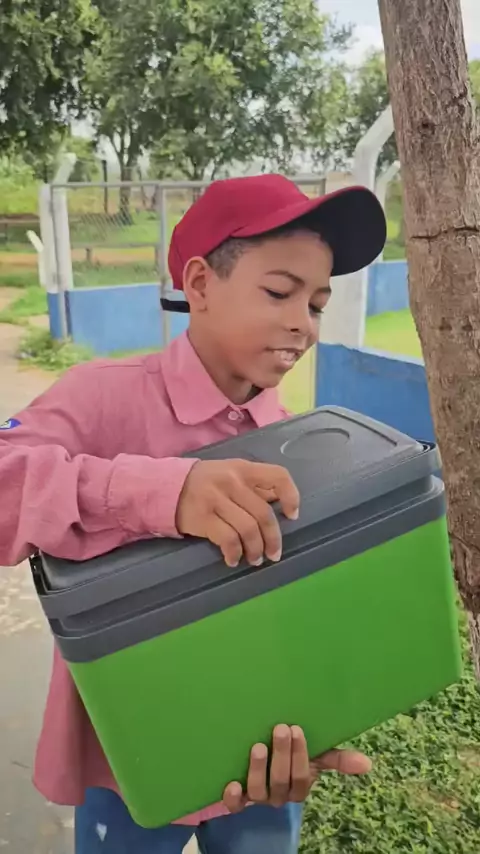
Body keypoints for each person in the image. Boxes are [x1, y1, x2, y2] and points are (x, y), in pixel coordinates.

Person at [0, 174, 386, 854]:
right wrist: (159, 492)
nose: (303, 322)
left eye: (317, 303)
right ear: (201, 284)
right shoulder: (101, 398)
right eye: (280, 292)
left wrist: (321, 708)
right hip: (128, 763)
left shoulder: (298, 435)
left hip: (258, 760)